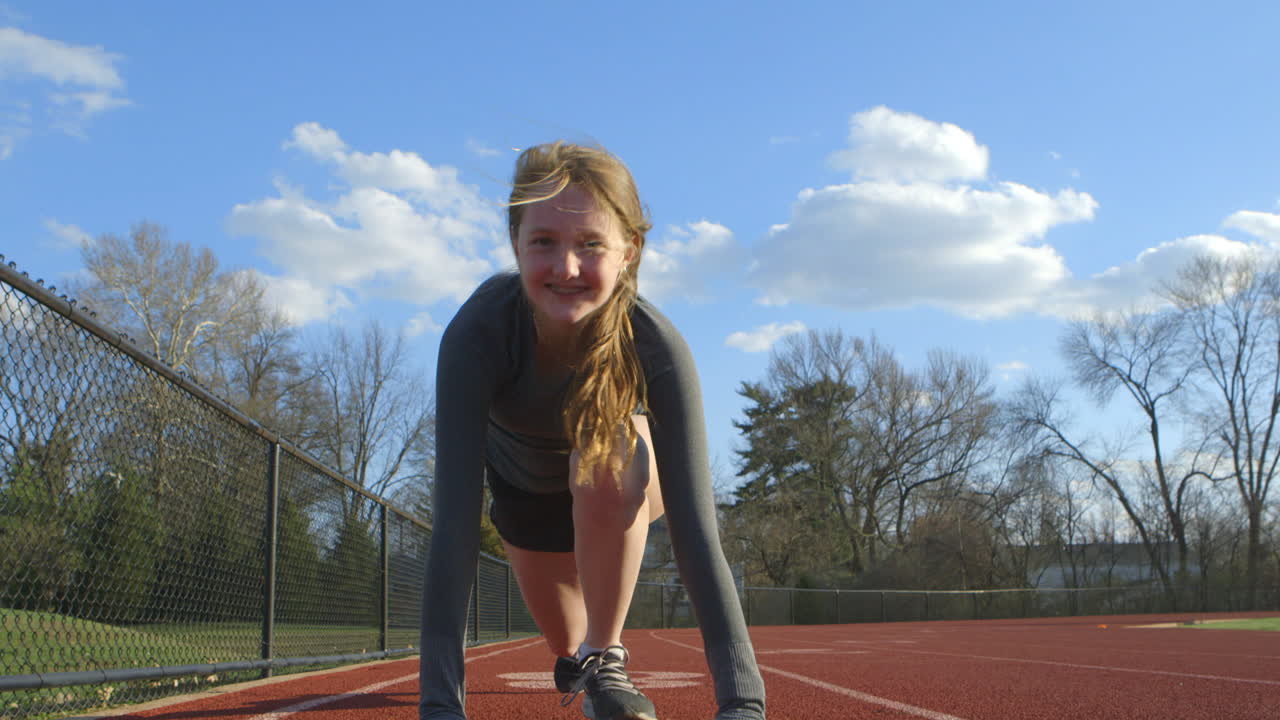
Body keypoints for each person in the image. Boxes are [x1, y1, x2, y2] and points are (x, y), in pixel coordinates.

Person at [419, 141, 767, 720]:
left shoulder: (654, 344)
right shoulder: (477, 334)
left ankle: (606, 656)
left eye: (590, 245)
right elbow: (453, 529)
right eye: (544, 243)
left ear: (629, 252)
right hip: (526, 504)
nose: (567, 267)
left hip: (613, 493)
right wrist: (440, 708)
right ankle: (581, 652)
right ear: (516, 245)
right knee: (563, 645)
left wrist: (743, 705)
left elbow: (696, 530)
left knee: (611, 457)